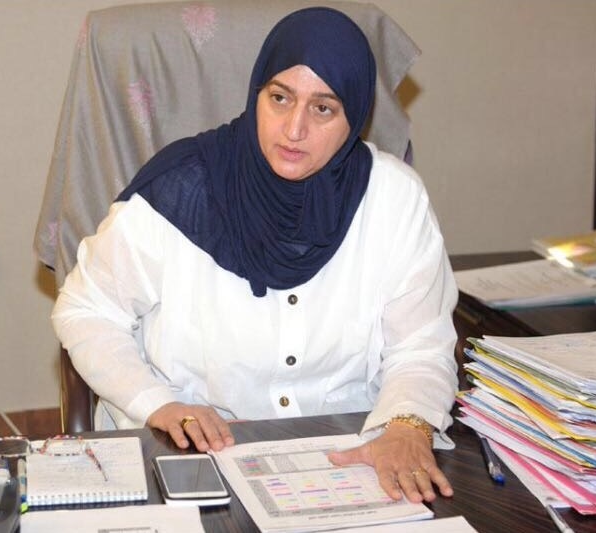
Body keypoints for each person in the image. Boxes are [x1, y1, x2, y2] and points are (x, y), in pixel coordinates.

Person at [52, 7, 458, 504]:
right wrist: (157, 404)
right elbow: (86, 311)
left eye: (323, 109)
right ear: (256, 93)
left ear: (354, 116)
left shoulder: (394, 198)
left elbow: (421, 344)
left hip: (350, 458)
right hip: (193, 456)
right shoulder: (180, 191)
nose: (293, 129)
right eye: (280, 98)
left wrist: (407, 424)